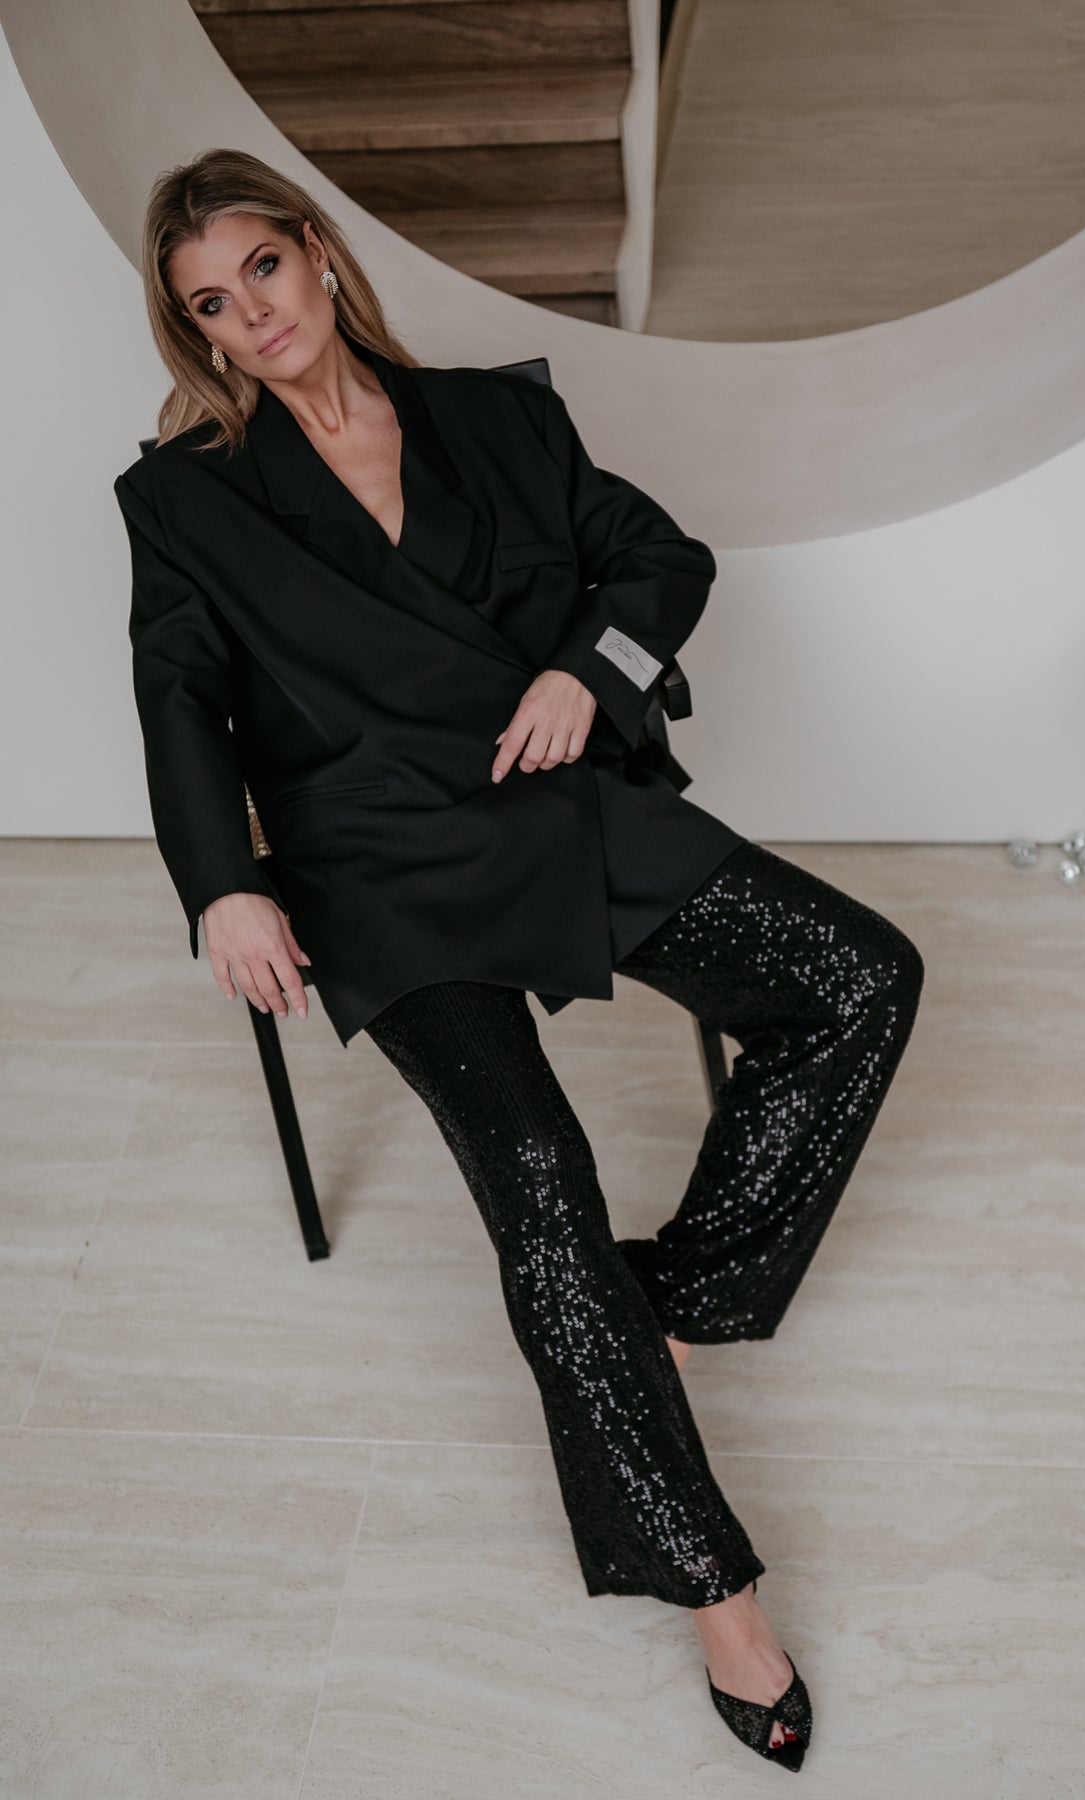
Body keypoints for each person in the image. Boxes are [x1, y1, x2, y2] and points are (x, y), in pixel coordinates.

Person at [113, 147, 924, 1772]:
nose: (250, 315)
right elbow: (178, 699)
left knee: (859, 977)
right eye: (208, 303)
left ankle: (672, 1299)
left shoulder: (500, 418)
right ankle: (711, 1590)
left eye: (260, 269)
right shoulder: (184, 499)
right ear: (192, 331)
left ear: (315, 253)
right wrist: (222, 887)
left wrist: (585, 674)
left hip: (555, 804)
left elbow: (661, 562)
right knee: (539, 1177)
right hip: (373, 869)